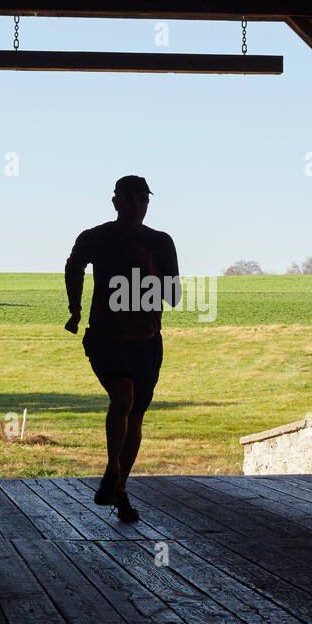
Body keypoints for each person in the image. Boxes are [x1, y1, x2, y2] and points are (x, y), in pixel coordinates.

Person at [65, 175, 180, 522]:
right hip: (106, 339)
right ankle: (113, 468)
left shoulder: (161, 242)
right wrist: (75, 309)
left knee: (135, 417)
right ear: (115, 202)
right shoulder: (96, 237)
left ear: (147, 204)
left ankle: (120, 488)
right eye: (128, 199)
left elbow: (173, 296)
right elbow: (74, 266)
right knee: (123, 396)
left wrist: (151, 279)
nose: (134, 205)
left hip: (147, 343)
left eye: (141, 199)